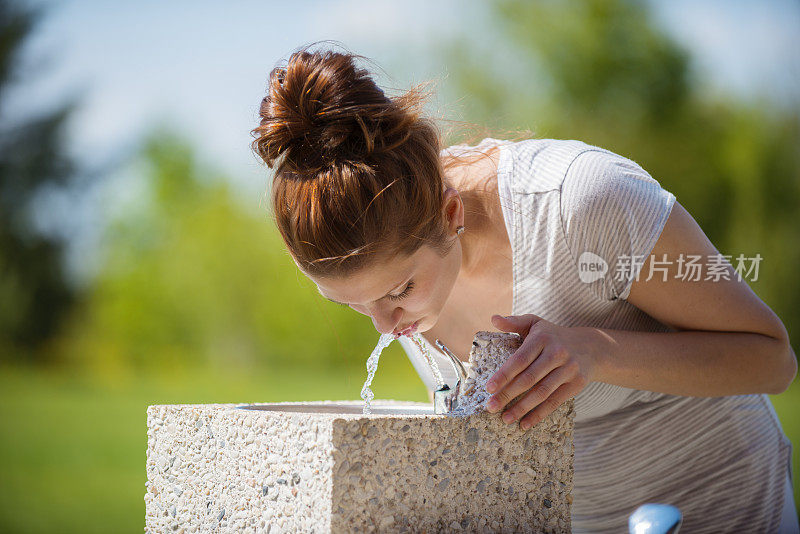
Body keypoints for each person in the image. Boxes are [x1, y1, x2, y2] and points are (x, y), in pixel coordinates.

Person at [251, 45, 799, 533]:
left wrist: (596, 352)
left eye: (398, 290)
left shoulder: (581, 203)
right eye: (351, 305)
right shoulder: (401, 277)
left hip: (718, 502)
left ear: (449, 213)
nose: (386, 326)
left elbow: (772, 359)